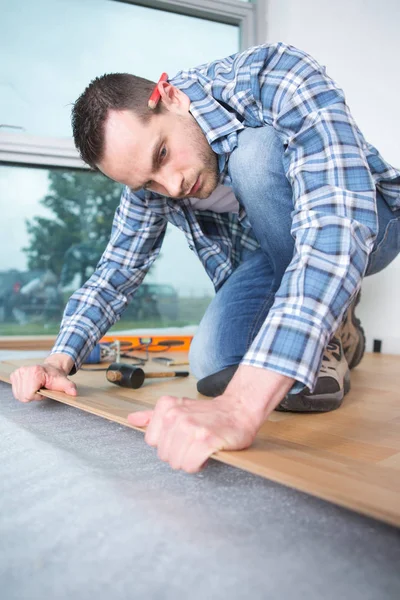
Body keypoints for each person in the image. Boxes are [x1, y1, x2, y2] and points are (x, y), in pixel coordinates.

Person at [10, 43, 400, 473]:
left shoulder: (273, 74)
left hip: (367, 225)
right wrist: (56, 360)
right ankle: (342, 331)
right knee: (213, 362)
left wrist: (242, 407)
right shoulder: (153, 183)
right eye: (149, 183)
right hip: (272, 257)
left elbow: (336, 220)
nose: (172, 186)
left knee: (255, 158)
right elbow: (114, 274)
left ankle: (327, 325)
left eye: (162, 154)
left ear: (170, 96)